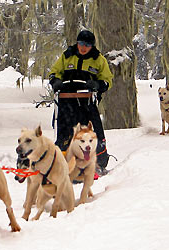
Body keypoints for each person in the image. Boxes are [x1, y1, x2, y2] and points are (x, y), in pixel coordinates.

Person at [48, 30, 113, 176]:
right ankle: (61, 162)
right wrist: (56, 81)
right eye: (81, 44)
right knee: (65, 132)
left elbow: (107, 80)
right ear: (77, 43)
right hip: (66, 100)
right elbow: (54, 72)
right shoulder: (67, 55)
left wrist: (97, 84)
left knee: (90, 131)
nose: (83, 48)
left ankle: (98, 162)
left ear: (92, 46)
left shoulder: (98, 59)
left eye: (87, 45)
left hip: (86, 102)